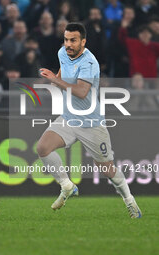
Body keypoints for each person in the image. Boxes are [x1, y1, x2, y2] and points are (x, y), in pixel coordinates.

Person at [38, 22, 142, 218]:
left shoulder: (89, 62)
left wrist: (54, 80)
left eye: (73, 40)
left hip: (91, 123)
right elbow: (63, 70)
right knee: (43, 147)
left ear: (83, 42)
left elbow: (81, 91)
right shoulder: (63, 52)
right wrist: (56, 78)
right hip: (69, 117)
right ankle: (67, 186)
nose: (68, 44)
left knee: (107, 169)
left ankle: (130, 201)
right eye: (66, 39)